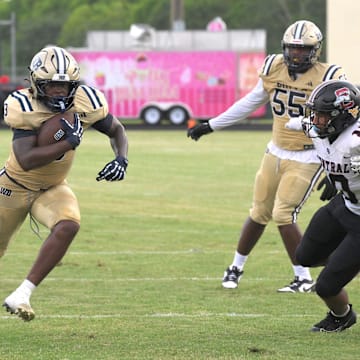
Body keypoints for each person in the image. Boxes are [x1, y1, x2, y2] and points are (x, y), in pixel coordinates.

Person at [187, 20, 346, 292]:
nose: (296, 55)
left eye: (302, 50)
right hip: (275, 150)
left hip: (309, 155)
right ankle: (235, 267)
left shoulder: (330, 75)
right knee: (259, 212)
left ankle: (303, 276)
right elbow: (250, 102)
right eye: (292, 49)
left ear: (315, 50)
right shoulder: (274, 67)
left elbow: (343, 123)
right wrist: (213, 124)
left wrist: (336, 169)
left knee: (283, 214)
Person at [0, 46, 129, 321]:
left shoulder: (86, 101)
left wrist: (121, 158)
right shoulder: (23, 106)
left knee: (68, 224)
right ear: (36, 83)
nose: (59, 91)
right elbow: (25, 159)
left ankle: (22, 294)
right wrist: (68, 143)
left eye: (64, 85)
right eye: (53, 85)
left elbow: (116, 129)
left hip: (52, 186)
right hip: (13, 186)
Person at [288, 79, 359, 332]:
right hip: (343, 204)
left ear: (343, 117)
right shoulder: (318, 129)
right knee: (304, 256)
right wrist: (338, 180)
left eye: (322, 116)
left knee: (326, 286)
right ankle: (348, 260)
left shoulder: (355, 141)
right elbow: (293, 122)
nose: (315, 121)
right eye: (315, 114)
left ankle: (341, 316)